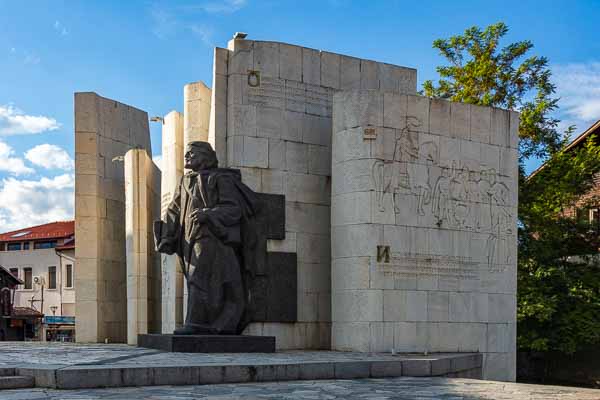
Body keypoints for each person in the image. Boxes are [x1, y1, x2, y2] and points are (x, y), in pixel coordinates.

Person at [155, 142, 260, 335]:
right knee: (200, 280)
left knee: (199, 279)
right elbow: (174, 210)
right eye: (186, 153)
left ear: (205, 156)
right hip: (189, 240)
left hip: (213, 237)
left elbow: (233, 209)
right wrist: (167, 235)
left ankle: (196, 324)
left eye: (191, 153)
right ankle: (214, 324)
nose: (186, 156)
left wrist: (209, 214)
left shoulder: (220, 179)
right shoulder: (185, 181)